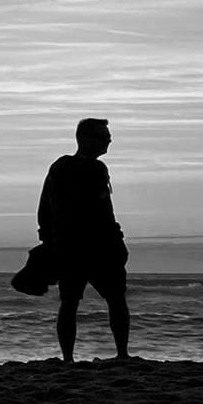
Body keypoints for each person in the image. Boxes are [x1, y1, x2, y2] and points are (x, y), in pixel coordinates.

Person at [38, 118, 131, 363]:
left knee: (70, 302)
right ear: (86, 139)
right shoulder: (95, 169)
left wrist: (48, 239)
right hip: (98, 246)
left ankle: (68, 358)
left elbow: (44, 207)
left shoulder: (59, 167)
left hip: (68, 246)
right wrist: (117, 240)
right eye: (103, 136)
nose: (109, 140)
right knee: (115, 299)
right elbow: (103, 211)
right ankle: (122, 354)